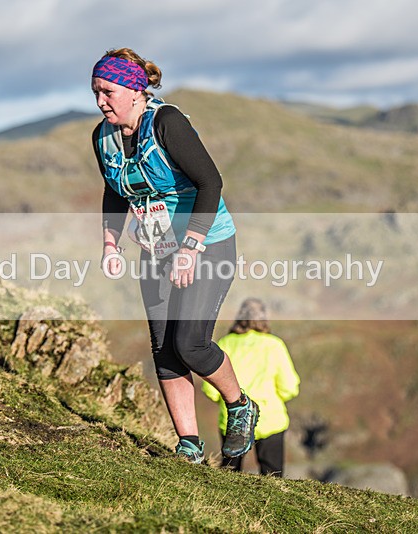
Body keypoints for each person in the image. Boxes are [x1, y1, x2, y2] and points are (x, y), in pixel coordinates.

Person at [91, 48, 259, 464]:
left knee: (191, 344)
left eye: (107, 91)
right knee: (164, 348)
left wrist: (190, 248)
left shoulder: (166, 122)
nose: (100, 101)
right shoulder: (103, 137)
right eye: (95, 92)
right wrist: (111, 244)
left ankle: (239, 405)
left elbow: (210, 182)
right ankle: (189, 446)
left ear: (134, 90)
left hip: (207, 243)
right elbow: (115, 192)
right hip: (155, 249)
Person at [202, 298, 300, 476]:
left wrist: (226, 400)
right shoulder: (274, 345)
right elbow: (289, 387)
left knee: (229, 473)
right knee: (273, 476)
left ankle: (222, 503)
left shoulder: (225, 344)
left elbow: (210, 389)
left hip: (234, 419)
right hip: (270, 419)